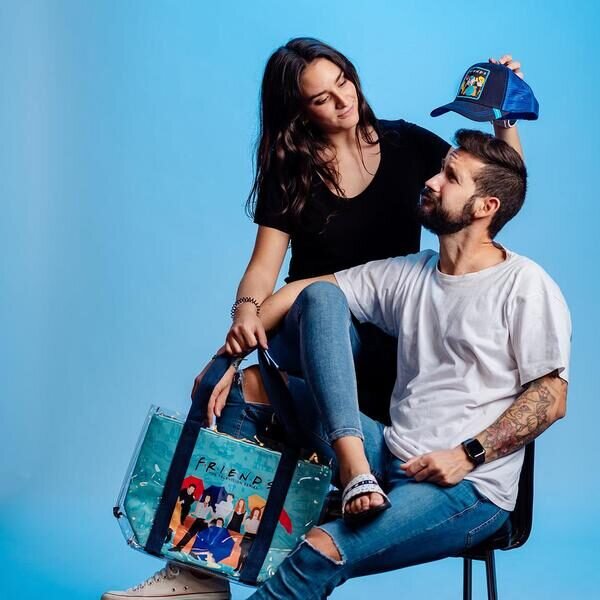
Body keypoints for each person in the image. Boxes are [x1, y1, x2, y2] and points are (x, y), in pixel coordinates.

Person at [102, 37, 525, 599]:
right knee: (314, 307)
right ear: (300, 112)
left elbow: (494, 189)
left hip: (383, 351)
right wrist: (237, 333)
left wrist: (504, 116)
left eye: (343, 83)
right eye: (322, 98)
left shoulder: (405, 146)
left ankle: (321, 491)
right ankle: (201, 570)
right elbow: (263, 269)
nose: (342, 101)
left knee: (249, 387)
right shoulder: (293, 169)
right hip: (308, 327)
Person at [241, 129, 571, 599]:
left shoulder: (524, 284)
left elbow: (551, 397)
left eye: (450, 177)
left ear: (485, 207)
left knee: (321, 551)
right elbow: (307, 291)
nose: (432, 181)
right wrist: (224, 357)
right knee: (252, 381)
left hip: (467, 488)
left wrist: (466, 455)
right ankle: (198, 570)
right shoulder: (414, 271)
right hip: (387, 453)